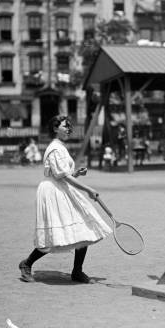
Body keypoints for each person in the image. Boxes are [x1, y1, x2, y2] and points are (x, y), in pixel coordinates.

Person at [18, 115, 112, 284]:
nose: (69, 128)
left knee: (83, 228)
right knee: (53, 234)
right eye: (65, 126)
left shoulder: (60, 147)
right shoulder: (55, 148)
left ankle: (77, 271)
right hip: (53, 192)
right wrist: (88, 189)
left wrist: (76, 174)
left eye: (70, 126)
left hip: (61, 189)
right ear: (55, 128)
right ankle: (27, 264)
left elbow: (63, 175)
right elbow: (62, 176)